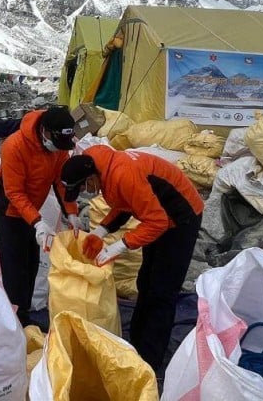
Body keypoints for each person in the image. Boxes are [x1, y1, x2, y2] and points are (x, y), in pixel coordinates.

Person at [62, 145, 204, 376]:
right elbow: (124, 204)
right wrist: (101, 232)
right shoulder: (105, 169)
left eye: (86, 187)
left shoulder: (122, 173)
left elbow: (156, 222)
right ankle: (137, 341)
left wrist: (121, 245)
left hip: (181, 217)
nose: (87, 193)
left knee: (162, 291)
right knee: (145, 281)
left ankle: (150, 362)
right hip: (159, 216)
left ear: (91, 177)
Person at [0, 105, 80, 326]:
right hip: (10, 214)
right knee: (15, 272)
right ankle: (15, 324)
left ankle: (25, 316)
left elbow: (61, 183)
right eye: (57, 142)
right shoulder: (14, 146)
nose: (59, 149)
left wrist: (71, 212)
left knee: (31, 265)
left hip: (32, 212)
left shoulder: (58, 148)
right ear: (45, 131)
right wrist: (38, 222)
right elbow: (14, 192)